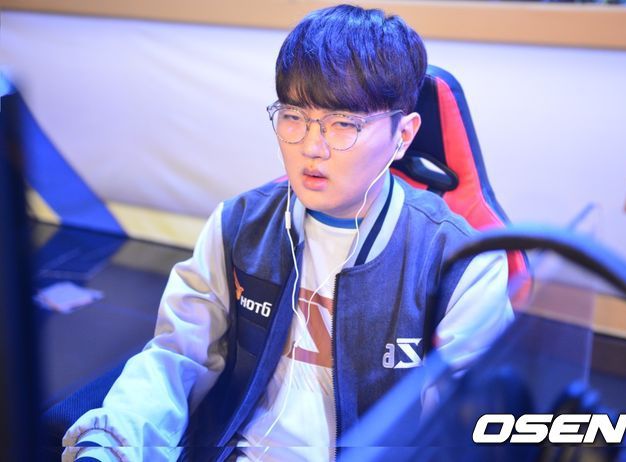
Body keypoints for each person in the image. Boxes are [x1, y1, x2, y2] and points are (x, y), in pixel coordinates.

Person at [62, 4, 513, 462]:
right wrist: (109, 445)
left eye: (344, 124)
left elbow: (458, 430)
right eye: (294, 115)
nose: (311, 147)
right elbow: (177, 357)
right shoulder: (238, 224)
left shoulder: (460, 261)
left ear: (404, 135)